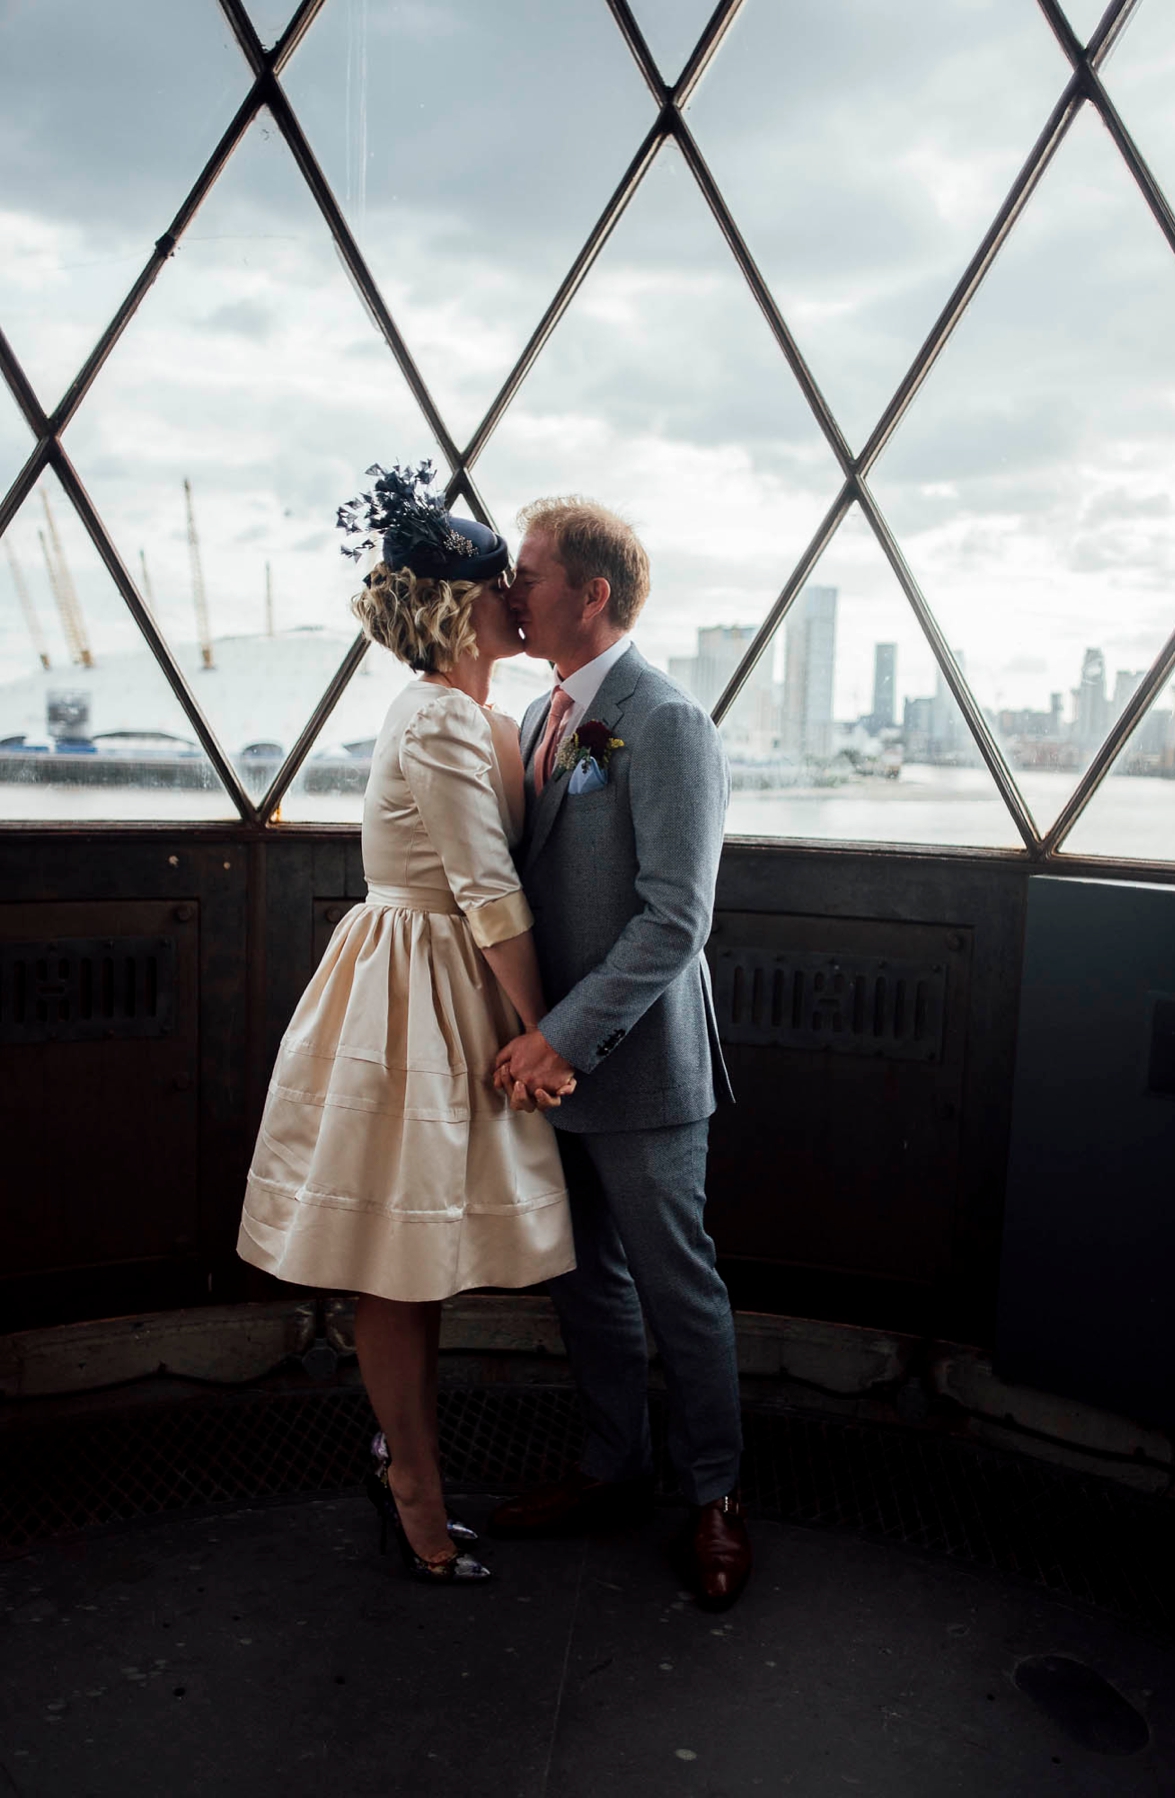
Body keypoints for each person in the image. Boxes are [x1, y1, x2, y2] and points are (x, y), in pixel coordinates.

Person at [237, 463, 576, 1584]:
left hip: (449, 980)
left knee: (416, 1253)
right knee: (397, 1258)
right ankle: (416, 1488)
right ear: (462, 605)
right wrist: (554, 1034)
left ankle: (404, 1458)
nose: (519, 600)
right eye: (503, 585)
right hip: (415, 991)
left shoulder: (488, 712)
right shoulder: (434, 715)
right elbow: (486, 890)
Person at [490, 497, 751, 1611]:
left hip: (635, 1070)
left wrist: (560, 1034)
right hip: (562, 1069)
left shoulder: (667, 719)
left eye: (532, 572)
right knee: (586, 1283)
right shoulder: (550, 713)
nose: (513, 590)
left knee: (674, 1285)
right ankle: (612, 1465)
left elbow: (674, 918)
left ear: (591, 594)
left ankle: (714, 1497)